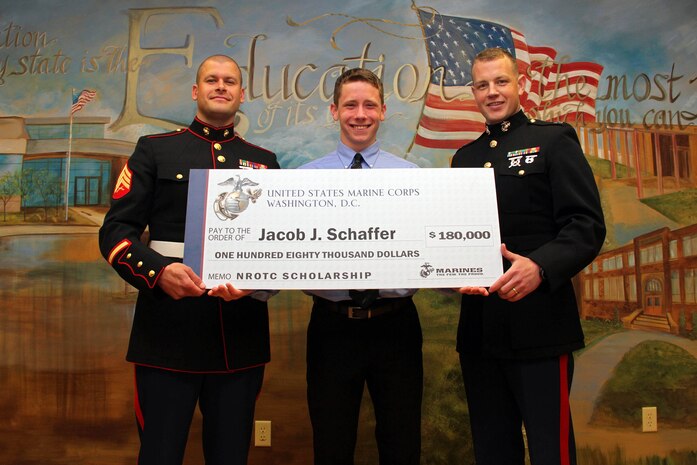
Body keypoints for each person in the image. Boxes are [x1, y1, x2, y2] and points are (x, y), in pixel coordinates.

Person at [98, 54, 280, 465]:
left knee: (230, 456)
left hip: (239, 339)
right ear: (196, 91)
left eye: (229, 81)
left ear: (241, 94)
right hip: (167, 337)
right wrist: (159, 273)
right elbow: (115, 232)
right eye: (211, 80)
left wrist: (259, 280)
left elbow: (277, 245)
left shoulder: (265, 162)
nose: (221, 86)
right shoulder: (155, 151)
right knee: (160, 455)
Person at [450, 48, 605, 465]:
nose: (492, 92)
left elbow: (586, 225)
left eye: (501, 81)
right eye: (482, 84)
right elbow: (452, 239)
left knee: (549, 448)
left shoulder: (553, 141)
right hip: (480, 331)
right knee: (492, 448)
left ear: (520, 84)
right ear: (473, 92)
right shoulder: (463, 159)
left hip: (540, 326)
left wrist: (540, 266)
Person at [299, 68, 423, 465]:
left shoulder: (413, 178)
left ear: (384, 111)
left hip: (396, 326)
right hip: (331, 327)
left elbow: (429, 250)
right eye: (350, 105)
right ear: (334, 111)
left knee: (401, 441)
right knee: (331, 444)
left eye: (370, 105)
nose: (360, 114)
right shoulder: (303, 180)